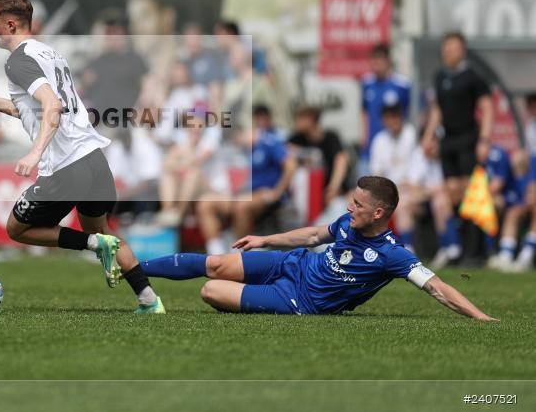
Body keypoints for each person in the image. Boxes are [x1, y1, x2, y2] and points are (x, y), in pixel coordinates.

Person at [0, 0, 164, 313]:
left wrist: (34, 152)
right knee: (103, 231)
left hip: (66, 165)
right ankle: (149, 300)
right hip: (95, 160)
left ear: (11, 24)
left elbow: (52, 105)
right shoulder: (50, 54)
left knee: (18, 228)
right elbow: (36, 110)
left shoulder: (17, 60)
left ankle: (93, 245)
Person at [142, 176, 496, 321]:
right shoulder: (347, 223)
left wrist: (480, 317)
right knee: (218, 263)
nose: (348, 209)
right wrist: (265, 240)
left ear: (378, 213)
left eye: (357, 204)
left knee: (210, 290)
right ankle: (135, 268)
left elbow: (437, 287)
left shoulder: (393, 254)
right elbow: (312, 236)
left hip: (301, 302)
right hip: (291, 264)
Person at [421, 31, 493, 264]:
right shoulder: (440, 76)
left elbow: (487, 107)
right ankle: (459, 247)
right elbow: (437, 110)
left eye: (452, 47)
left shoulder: (473, 77)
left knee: (470, 193)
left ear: (461, 50)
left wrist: (484, 140)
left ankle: (477, 250)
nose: (447, 51)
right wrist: (429, 136)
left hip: (468, 139)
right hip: (448, 141)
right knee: (452, 193)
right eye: (445, 47)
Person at [196, 105, 297, 255]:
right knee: (205, 203)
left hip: (264, 195)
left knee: (241, 206)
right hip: (242, 195)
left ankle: (239, 253)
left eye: (237, 137)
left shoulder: (269, 142)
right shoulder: (243, 151)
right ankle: (215, 252)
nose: (236, 142)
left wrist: (277, 192)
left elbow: (291, 165)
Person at [369, 104, 418, 249]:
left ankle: (408, 249)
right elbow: (377, 172)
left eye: (395, 117)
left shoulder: (411, 134)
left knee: (402, 204)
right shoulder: (379, 140)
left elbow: (417, 165)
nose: (393, 122)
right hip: (390, 189)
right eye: (388, 118)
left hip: (412, 187)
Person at [288, 105, 351, 209]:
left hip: (331, 191)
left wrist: (333, 188)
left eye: (300, 118)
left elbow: (341, 159)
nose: (297, 122)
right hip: (308, 192)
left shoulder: (330, 137)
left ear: (311, 119)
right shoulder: (297, 139)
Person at [360, 44, 411, 170]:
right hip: (371, 143)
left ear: (387, 61)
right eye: (373, 61)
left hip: (393, 144)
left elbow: (409, 113)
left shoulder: (402, 84)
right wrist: (364, 136)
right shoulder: (367, 83)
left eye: (379, 60)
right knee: (364, 183)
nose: (375, 65)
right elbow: (364, 111)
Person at [484, 146, 530, 271]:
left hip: (521, 202)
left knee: (512, 213)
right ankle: (499, 254)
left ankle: (517, 255)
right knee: (493, 206)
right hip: (515, 201)